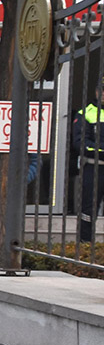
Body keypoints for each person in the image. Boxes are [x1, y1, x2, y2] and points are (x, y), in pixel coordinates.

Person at [71, 80, 104, 241]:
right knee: (88, 210)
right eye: (103, 90)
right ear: (97, 92)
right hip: (93, 168)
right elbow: (81, 143)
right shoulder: (86, 113)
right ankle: (85, 245)